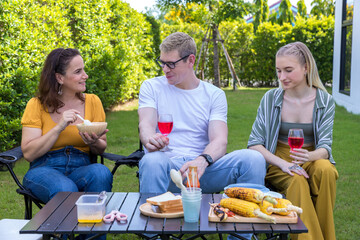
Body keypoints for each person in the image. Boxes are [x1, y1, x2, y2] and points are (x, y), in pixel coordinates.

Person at [138, 32, 266, 196]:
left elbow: (219, 140)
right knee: (152, 160)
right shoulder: (151, 87)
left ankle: (249, 218)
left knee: (253, 159)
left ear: (190, 60)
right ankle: (152, 220)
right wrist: (150, 139)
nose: (165, 69)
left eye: (170, 64)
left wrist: (202, 160)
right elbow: (146, 125)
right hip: (166, 168)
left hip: (204, 169)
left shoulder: (214, 94)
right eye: (162, 63)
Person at [248, 42, 338, 240]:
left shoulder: (324, 101)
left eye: (288, 70)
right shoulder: (271, 98)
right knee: (297, 180)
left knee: (326, 171)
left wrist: (310, 155)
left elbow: (325, 146)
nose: (282, 77)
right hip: (278, 158)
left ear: (306, 67)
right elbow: (254, 142)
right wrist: (284, 164)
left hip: (311, 155)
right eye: (279, 70)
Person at [21, 48, 113, 205]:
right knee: (65, 188)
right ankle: (64, 230)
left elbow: (101, 148)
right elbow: (29, 153)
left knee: (101, 172)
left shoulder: (93, 102)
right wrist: (58, 127)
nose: (85, 75)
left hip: (81, 166)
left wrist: (93, 142)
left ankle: (95, 229)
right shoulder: (36, 105)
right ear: (59, 77)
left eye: (83, 69)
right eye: (78, 71)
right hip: (44, 169)